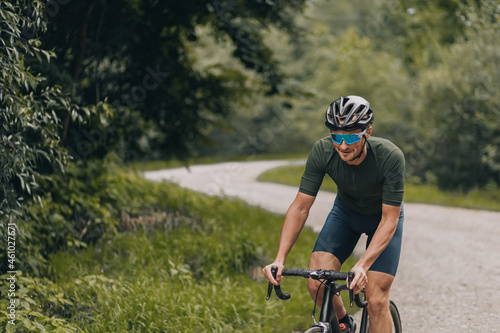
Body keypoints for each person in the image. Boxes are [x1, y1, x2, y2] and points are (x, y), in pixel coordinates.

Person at [262, 95, 405, 333]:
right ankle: (344, 325)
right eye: (337, 136)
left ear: (367, 132)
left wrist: (362, 265)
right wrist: (279, 259)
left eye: (351, 136)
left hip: (382, 220)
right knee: (316, 283)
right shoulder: (322, 151)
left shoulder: (390, 157)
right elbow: (300, 207)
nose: (343, 145)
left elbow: (390, 218)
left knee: (376, 299)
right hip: (346, 215)